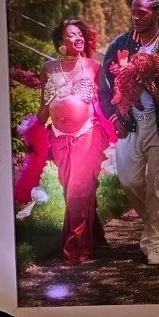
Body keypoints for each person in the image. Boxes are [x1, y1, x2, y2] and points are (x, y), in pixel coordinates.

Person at [100, 0, 159, 265]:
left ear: (157, 12)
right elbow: (103, 84)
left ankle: (154, 244)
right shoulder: (121, 43)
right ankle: (155, 222)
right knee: (129, 180)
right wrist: (113, 116)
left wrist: (158, 68)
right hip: (130, 121)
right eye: (134, 12)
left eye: (142, 13)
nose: (136, 17)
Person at [37, 19, 110, 265]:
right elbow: (43, 108)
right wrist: (33, 129)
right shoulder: (48, 68)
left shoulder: (93, 66)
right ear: (60, 42)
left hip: (87, 134)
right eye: (71, 35)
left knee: (78, 190)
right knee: (72, 189)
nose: (78, 38)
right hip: (58, 137)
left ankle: (74, 249)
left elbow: (106, 101)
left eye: (80, 34)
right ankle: (95, 236)